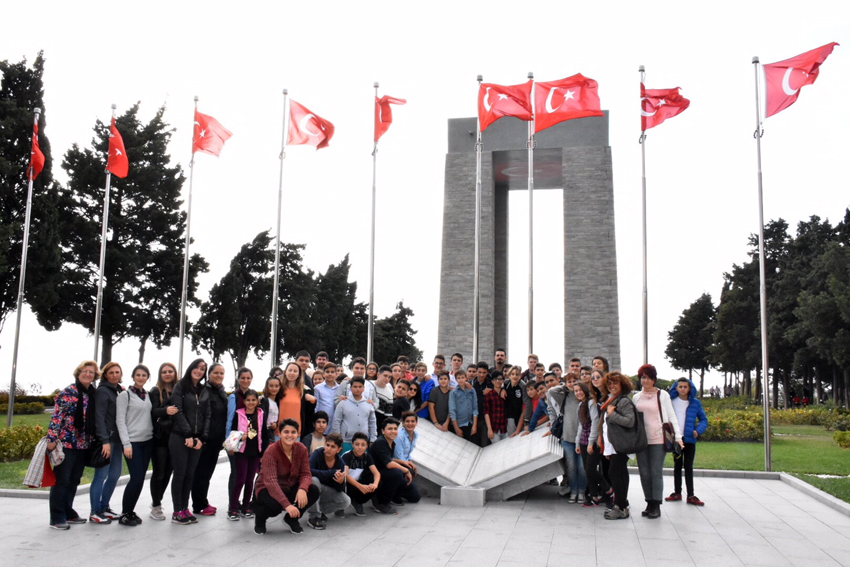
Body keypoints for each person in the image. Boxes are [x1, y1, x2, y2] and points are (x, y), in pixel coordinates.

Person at [47, 360, 99, 529]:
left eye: (91, 372)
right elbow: (57, 416)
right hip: (66, 442)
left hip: (83, 444)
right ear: (78, 373)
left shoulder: (92, 393)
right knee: (61, 480)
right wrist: (52, 439)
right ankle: (56, 517)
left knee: (74, 480)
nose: (88, 374)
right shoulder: (69, 392)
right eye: (85, 371)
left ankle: (68, 511)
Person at [252, 419, 321, 535]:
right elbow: (271, 482)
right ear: (279, 433)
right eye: (286, 432)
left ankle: (291, 519)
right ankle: (260, 518)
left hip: (289, 486)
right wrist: (287, 505)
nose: (290, 435)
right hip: (267, 488)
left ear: (298, 434)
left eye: (293, 432)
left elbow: (306, 473)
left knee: (313, 490)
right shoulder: (271, 452)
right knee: (275, 506)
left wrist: (302, 489)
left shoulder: (301, 449)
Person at [632, 363, 683, 519]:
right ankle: (649, 502)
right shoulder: (636, 397)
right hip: (641, 440)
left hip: (658, 439)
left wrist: (678, 437)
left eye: (648, 377)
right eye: (642, 377)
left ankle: (656, 504)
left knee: (655, 473)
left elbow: (672, 416)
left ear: (654, 379)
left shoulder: (663, 395)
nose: (645, 380)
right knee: (644, 473)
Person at [169, 358, 211, 525]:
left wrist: (202, 438)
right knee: (180, 473)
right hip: (180, 436)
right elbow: (177, 411)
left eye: (202, 369)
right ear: (191, 368)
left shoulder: (203, 390)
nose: (199, 371)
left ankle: (185, 508)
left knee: (190, 474)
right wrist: (187, 434)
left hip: (197, 439)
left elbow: (207, 415)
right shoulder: (180, 386)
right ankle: (177, 510)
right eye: (197, 367)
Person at [115, 364, 154, 526]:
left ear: (147, 378)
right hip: (133, 443)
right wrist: (126, 443)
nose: (141, 377)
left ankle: (131, 511)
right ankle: (124, 513)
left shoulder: (149, 395)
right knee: (136, 478)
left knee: (140, 479)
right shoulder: (125, 395)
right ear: (133, 376)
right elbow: (120, 420)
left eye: (144, 375)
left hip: (148, 442)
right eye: (138, 375)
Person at [90, 361, 125, 524]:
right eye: (111, 372)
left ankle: (104, 507)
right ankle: (95, 511)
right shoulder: (103, 391)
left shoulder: (119, 391)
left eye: (117, 372)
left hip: (118, 441)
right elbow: (99, 417)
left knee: (115, 475)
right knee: (101, 475)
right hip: (107, 440)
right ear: (105, 375)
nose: (114, 375)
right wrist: (104, 440)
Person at [191, 362, 228, 517]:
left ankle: (202, 501)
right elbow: (202, 416)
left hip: (216, 440)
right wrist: (202, 437)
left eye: (221, 373)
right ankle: (199, 504)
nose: (219, 376)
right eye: (216, 373)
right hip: (205, 439)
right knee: (201, 473)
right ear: (209, 374)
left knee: (207, 473)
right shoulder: (204, 391)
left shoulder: (221, 392)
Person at [228, 389, 269, 520]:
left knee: (250, 480)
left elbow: (264, 433)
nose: (251, 402)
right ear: (244, 401)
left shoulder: (261, 414)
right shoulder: (238, 414)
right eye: (248, 400)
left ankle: (246, 506)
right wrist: (239, 439)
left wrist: (263, 451)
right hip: (242, 451)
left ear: (257, 401)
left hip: (255, 451)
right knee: (240, 479)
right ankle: (233, 508)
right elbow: (233, 432)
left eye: (253, 400)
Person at [667, 378, 708, 506]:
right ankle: (677, 492)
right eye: (680, 386)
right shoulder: (671, 402)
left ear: (690, 388)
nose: (683, 389)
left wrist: (698, 431)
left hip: (690, 439)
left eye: (685, 387)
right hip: (677, 439)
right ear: (676, 388)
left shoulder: (695, 403)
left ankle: (690, 495)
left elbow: (704, 420)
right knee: (677, 466)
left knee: (688, 466)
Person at [602, 372, 637, 520]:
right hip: (615, 444)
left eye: (615, 383)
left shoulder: (623, 401)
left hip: (621, 444)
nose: (612, 386)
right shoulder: (612, 399)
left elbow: (630, 421)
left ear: (622, 384)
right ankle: (622, 506)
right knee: (620, 473)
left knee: (614, 473)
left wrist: (612, 414)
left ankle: (620, 506)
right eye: (609, 384)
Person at [547, 372, 586, 502]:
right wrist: (564, 386)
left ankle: (582, 492)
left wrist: (577, 386)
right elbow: (551, 391)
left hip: (582, 439)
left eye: (575, 381)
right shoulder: (564, 396)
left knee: (582, 467)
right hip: (567, 437)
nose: (572, 384)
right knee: (571, 466)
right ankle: (573, 491)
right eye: (569, 381)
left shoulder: (583, 397)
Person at [369, 418, 419, 513]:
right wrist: (405, 470)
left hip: (383, 471)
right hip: (373, 474)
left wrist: (404, 463)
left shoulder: (391, 442)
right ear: (383, 431)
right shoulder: (380, 442)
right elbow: (388, 464)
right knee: (397, 473)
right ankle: (382, 503)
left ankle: (395, 495)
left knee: (415, 496)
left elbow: (388, 458)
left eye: (395, 429)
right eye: (390, 429)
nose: (393, 431)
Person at [149, 362, 178, 521]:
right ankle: (155, 504)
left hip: (175, 438)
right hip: (160, 438)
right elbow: (152, 412)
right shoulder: (156, 391)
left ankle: (158, 501)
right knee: (159, 473)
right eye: (164, 372)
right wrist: (165, 410)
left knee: (168, 472)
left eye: (170, 371)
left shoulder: (178, 390)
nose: (167, 374)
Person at [306, 433, 350, 529]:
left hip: (325, 491)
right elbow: (309, 471)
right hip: (312, 489)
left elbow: (340, 489)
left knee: (346, 501)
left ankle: (319, 511)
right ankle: (314, 517)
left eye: (333, 447)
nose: (329, 448)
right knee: (314, 480)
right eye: (327, 445)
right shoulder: (317, 454)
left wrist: (341, 482)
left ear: (339, 450)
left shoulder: (340, 463)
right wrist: (331, 473)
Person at [331, 377, 378, 452]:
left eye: (360, 387)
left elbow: (372, 423)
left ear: (364, 388)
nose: (358, 389)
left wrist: (373, 439)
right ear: (351, 388)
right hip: (346, 441)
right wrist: (338, 439)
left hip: (363, 442)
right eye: (355, 387)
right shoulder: (343, 403)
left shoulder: (368, 404)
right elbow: (336, 421)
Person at [341, 432, 381, 516]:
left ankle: (358, 502)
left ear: (367, 446)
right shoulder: (347, 456)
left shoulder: (367, 457)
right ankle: (341, 506)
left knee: (378, 481)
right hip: (345, 484)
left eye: (363, 445)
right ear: (352, 445)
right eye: (357, 444)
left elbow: (376, 473)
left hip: (358, 483)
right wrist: (360, 486)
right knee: (343, 483)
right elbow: (346, 475)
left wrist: (375, 484)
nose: (360, 447)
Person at [280, 361, 317, 437]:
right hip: (279, 431)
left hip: (296, 432)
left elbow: (309, 411)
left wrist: (313, 402)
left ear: (299, 374)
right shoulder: (279, 389)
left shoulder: (303, 391)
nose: (292, 373)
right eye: (290, 370)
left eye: (295, 371)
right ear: (285, 372)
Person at [392, 412, 421, 504]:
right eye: (407, 421)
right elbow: (398, 455)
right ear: (403, 423)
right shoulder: (399, 435)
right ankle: (394, 494)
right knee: (410, 469)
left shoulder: (415, 434)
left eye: (413, 421)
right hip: (395, 464)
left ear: (416, 423)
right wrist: (409, 464)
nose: (410, 424)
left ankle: (400, 490)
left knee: (415, 498)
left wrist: (410, 461)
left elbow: (408, 453)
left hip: (404, 462)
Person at [449, 369, 478, 442]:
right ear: (456, 379)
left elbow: (475, 408)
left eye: (462, 377)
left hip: (470, 423)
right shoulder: (453, 393)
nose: (461, 380)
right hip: (459, 424)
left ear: (466, 378)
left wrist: (475, 425)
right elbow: (452, 411)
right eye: (458, 378)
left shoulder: (472, 390)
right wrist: (456, 428)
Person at [503, 366, 531, 437]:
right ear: (509, 375)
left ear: (520, 375)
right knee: (511, 436)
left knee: (520, 436)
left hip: (520, 415)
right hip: (510, 416)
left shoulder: (523, 386)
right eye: (512, 374)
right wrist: (503, 389)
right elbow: (501, 385)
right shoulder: (506, 384)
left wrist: (526, 419)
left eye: (517, 374)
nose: (515, 376)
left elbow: (527, 403)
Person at [484, 372, 508, 443]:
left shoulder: (506, 393)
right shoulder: (489, 395)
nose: (497, 381)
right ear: (492, 381)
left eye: (500, 379)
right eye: (495, 379)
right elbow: (486, 413)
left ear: (503, 380)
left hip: (505, 428)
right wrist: (489, 429)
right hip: (494, 428)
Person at [314, 362, 339, 426]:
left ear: (336, 374)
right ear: (323, 374)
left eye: (332, 372)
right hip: (322, 422)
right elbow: (316, 406)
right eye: (327, 372)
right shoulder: (317, 388)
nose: (330, 374)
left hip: (335, 422)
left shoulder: (340, 388)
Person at [260, 373, 283, 442]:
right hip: (264, 435)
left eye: (276, 386)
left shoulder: (277, 402)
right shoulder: (264, 401)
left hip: (272, 434)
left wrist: (275, 425)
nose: (274, 389)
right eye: (271, 386)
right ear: (267, 387)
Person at [372, 365, 395, 430]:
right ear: (378, 375)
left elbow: (388, 415)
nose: (387, 379)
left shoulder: (389, 393)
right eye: (385, 376)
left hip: (376, 424)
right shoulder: (368, 384)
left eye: (389, 377)